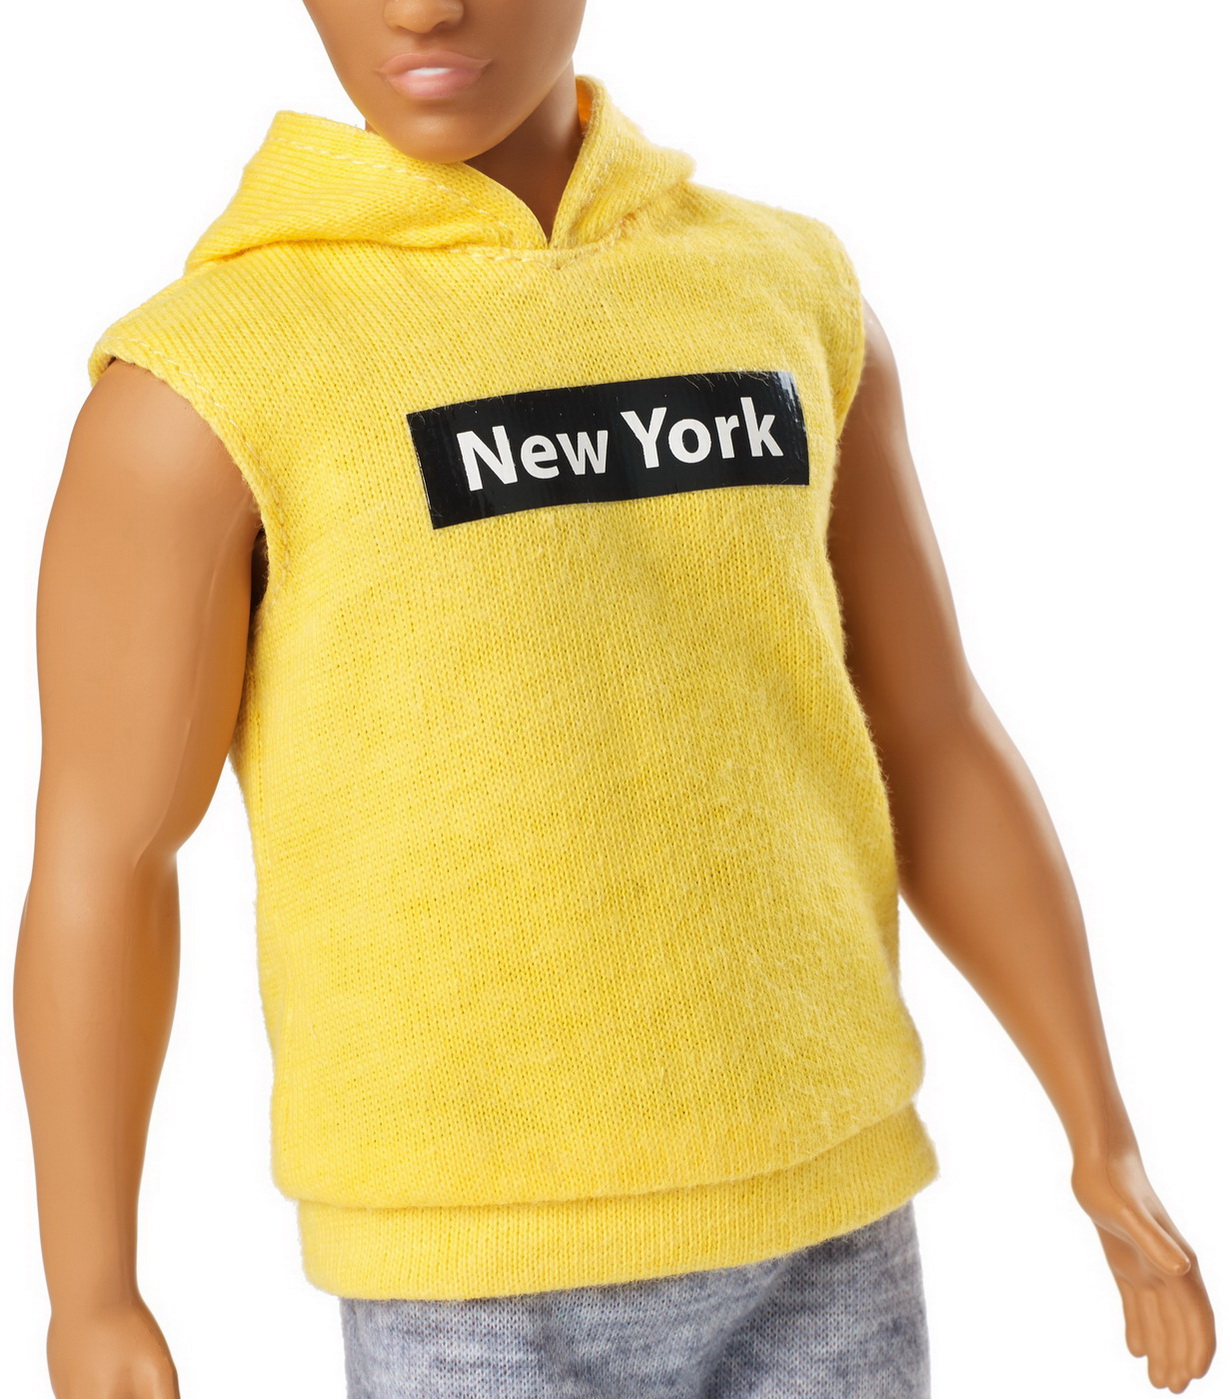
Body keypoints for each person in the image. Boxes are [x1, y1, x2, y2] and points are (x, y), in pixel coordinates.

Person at [13, 1, 1216, 1396]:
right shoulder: (214, 379)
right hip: (471, 1274)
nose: (423, 6)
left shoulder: (784, 293)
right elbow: (105, 853)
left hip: (827, 1218)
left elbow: (932, 733)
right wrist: (90, 1292)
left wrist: (1100, 1133)